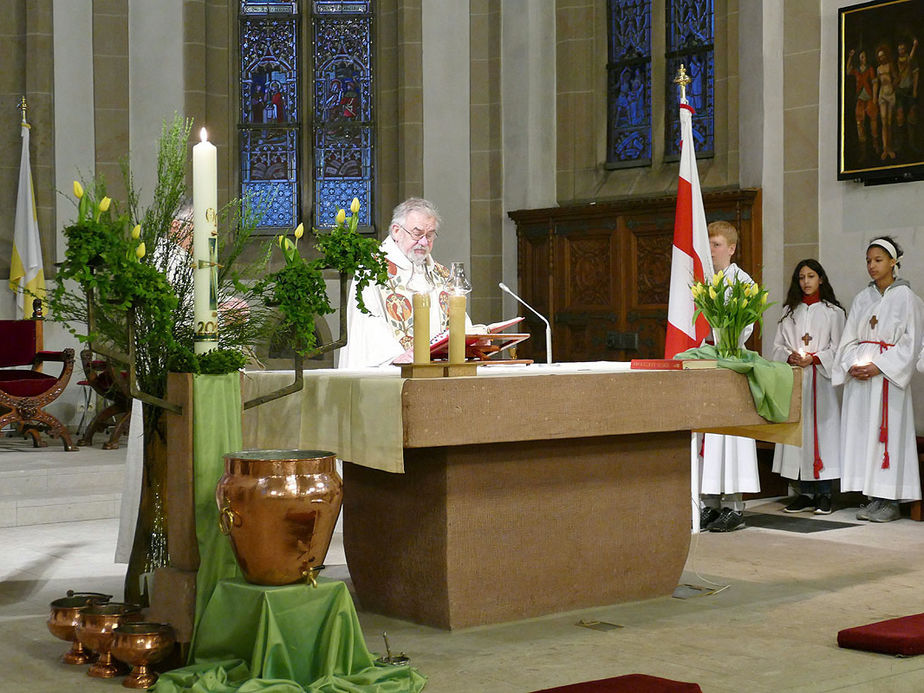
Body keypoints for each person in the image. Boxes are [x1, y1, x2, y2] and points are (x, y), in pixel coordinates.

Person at [833, 237, 924, 522]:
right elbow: (849, 338)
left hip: (887, 380)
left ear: (893, 262)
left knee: (887, 436)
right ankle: (872, 496)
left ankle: (890, 500)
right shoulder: (863, 298)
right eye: (869, 261)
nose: (872, 266)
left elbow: (912, 342)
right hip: (862, 380)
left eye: (878, 260)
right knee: (864, 434)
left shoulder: (908, 299)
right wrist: (850, 364)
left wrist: (880, 366)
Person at [338, 197, 454, 369]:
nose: (424, 242)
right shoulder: (372, 271)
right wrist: (395, 355)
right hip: (392, 370)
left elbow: (457, 320)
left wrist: (473, 339)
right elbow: (366, 322)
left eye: (429, 236)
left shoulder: (441, 275)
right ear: (396, 231)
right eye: (417, 234)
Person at [698, 221, 760, 532]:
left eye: (717, 245)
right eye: (708, 244)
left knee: (730, 437)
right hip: (705, 363)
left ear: (732, 248)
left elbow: (744, 328)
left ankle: (733, 504)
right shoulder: (703, 280)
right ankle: (709, 503)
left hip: (730, 361)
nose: (711, 251)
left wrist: (722, 337)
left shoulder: (743, 283)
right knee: (708, 433)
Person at [771, 260, 846, 515]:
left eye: (811, 276)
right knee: (798, 435)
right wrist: (790, 356)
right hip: (796, 380)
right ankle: (804, 493)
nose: (806, 281)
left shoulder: (834, 313)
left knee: (822, 436)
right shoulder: (789, 312)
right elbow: (777, 347)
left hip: (821, 382)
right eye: (801, 277)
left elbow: (840, 350)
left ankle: (824, 494)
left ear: (821, 279)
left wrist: (814, 358)